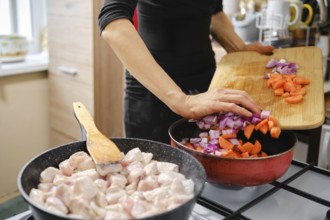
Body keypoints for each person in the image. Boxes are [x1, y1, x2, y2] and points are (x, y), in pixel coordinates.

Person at [98, 0, 274, 143]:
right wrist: (183, 101)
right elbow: (113, 23)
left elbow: (213, 10)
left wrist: (238, 47)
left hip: (207, 86)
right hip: (156, 96)